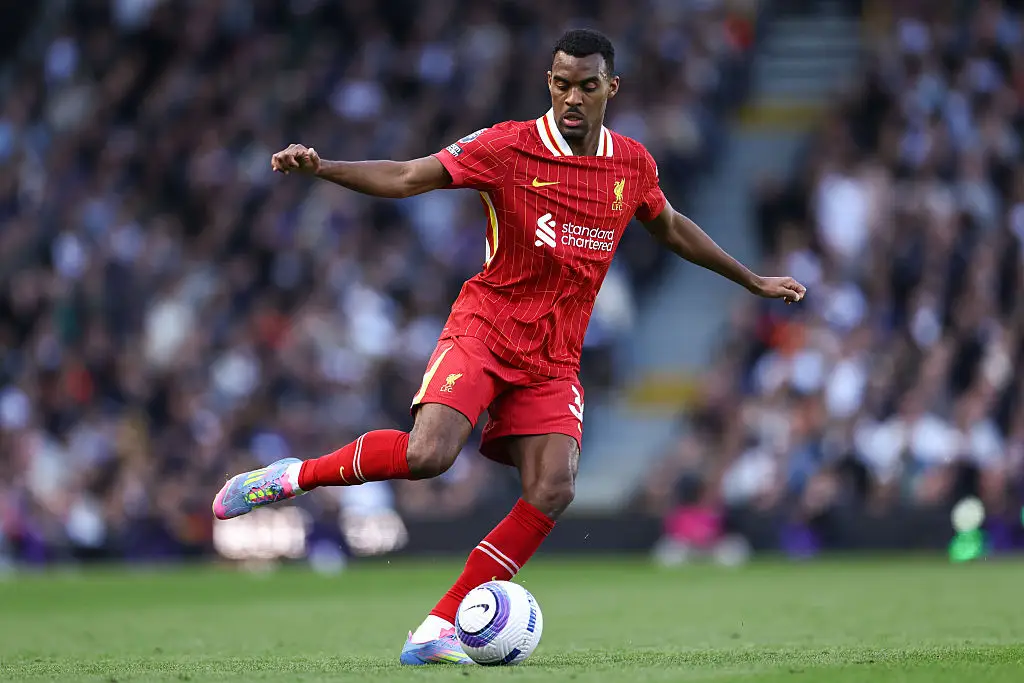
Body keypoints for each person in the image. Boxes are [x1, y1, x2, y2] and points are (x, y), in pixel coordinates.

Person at [212, 28, 806, 664]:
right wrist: (324, 167)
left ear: (612, 88)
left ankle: (438, 627)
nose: (570, 97)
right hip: (486, 327)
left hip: (555, 355)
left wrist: (750, 279)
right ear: (548, 83)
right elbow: (410, 175)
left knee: (554, 486)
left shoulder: (630, 164)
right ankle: (291, 477)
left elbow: (671, 228)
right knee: (429, 455)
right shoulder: (507, 146)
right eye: (559, 84)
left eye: (585, 86)